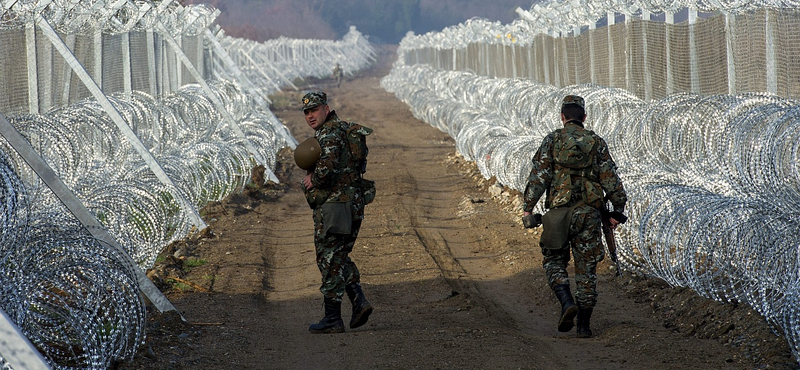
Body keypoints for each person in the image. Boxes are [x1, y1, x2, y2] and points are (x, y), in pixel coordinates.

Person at [522, 95, 627, 338]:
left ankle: (566, 300)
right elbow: (610, 179)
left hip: (557, 214)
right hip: (589, 214)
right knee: (586, 269)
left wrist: (528, 208)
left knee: (554, 260)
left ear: (562, 117)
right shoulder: (596, 142)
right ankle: (584, 326)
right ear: (584, 118)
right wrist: (618, 210)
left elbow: (539, 176)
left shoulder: (553, 140)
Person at [300, 91, 373, 334]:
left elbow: (327, 172)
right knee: (339, 256)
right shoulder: (343, 129)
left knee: (328, 258)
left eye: (314, 110)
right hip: (352, 203)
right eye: (307, 112)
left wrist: (313, 177)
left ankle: (332, 318)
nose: (310, 115)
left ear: (326, 108)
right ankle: (359, 300)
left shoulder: (330, 134)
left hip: (336, 207)